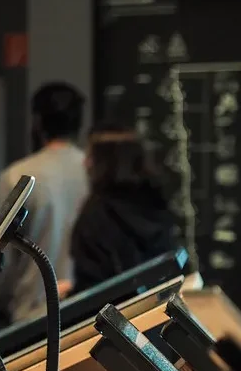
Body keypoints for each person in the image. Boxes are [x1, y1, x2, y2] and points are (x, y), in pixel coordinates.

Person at [0, 82, 89, 323]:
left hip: (31, 315)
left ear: (38, 122)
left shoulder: (16, 176)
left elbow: (2, 260)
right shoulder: (95, 173)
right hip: (88, 311)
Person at [69, 115, 178, 294]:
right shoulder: (157, 204)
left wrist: (69, 295)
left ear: (105, 162)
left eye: (90, 156)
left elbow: (94, 290)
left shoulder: (95, 214)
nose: (85, 162)